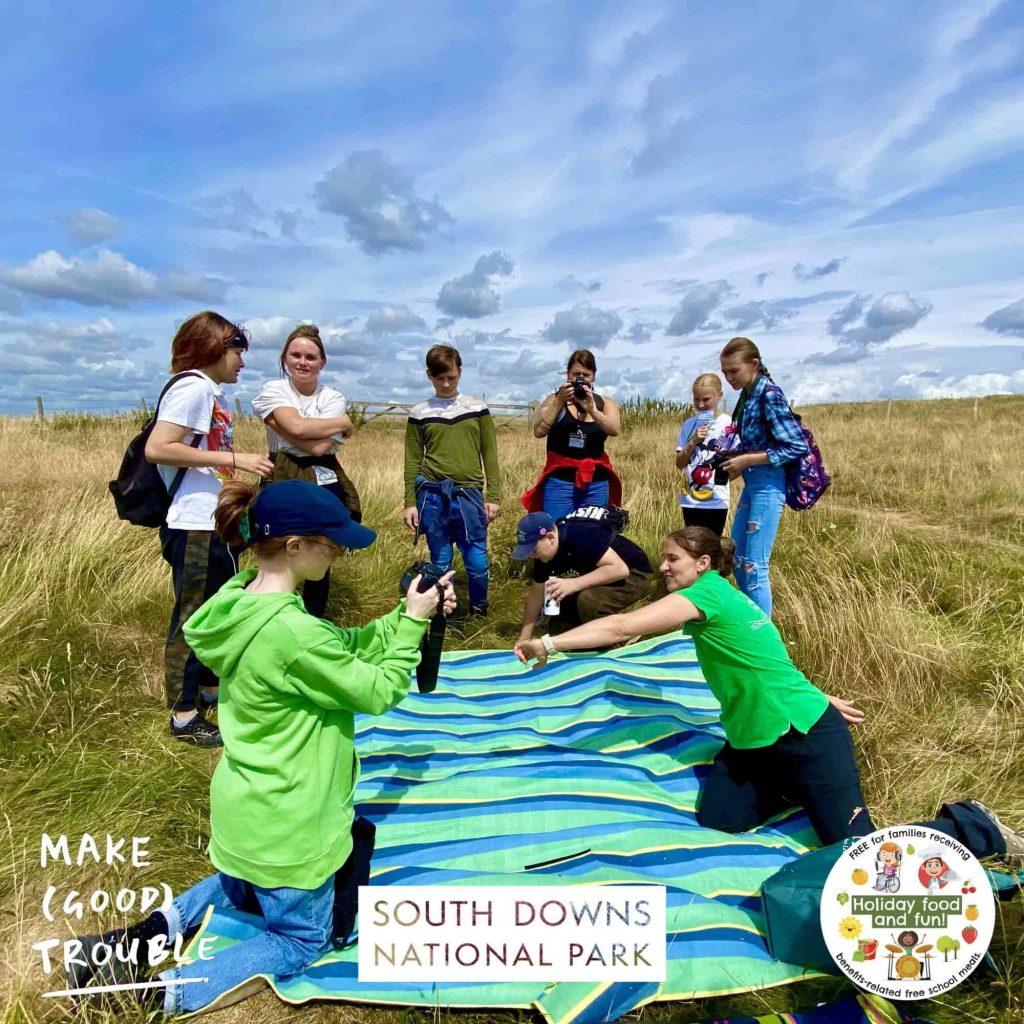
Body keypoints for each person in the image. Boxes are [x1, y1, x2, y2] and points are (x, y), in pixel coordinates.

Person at [67, 479, 456, 1014]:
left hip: (242, 816)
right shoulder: (292, 633)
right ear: (295, 547)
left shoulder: (240, 602)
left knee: (234, 889)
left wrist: (402, 614)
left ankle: (127, 943)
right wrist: (414, 624)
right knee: (302, 939)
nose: (340, 552)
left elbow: (343, 649)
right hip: (292, 827)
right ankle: (152, 994)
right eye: (332, 542)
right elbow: (378, 689)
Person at [515, 526, 1024, 863]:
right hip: (754, 739)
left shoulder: (706, 595)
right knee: (720, 819)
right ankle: (794, 786)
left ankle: (973, 826)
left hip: (802, 732)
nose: (664, 567)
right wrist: (818, 692)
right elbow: (768, 657)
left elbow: (624, 628)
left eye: (673, 559)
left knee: (857, 853)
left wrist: (550, 642)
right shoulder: (723, 598)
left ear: (704, 564)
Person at [144, 311, 273, 747]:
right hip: (193, 525)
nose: (242, 361)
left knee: (216, 613)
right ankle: (183, 717)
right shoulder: (193, 387)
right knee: (192, 617)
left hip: (212, 523)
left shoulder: (207, 391)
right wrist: (234, 461)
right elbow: (159, 448)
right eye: (238, 351)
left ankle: (211, 692)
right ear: (216, 347)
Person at [252, 323, 360, 618]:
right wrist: (341, 424)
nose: (302, 362)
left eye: (310, 357)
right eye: (295, 355)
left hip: (321, 472)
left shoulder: (332, 397)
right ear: (285, 358)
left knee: (319, 545)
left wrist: (282, 426)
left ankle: (313, 619)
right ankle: (273, 615)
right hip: (281, 471)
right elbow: (302, 431)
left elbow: (318, 450)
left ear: (322, 362)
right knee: (277, 546)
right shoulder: (273, 389)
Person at [402, 344, 500, 616]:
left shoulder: (477, 408)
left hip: (469, 495)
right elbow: (411, 460)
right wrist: (410, 502)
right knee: (441, 559)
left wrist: (494, 496)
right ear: (429, 376)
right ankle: (445, 612)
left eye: (451, 377)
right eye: (439, 378)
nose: (446, 384)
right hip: (432, 496)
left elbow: (489, 455)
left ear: (460, 372)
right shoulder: (420, 412)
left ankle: (479, 610)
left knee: (477, 559)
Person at [718, 336, 809, 617]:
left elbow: (796, 446)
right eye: (725, 373)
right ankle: (751, 623)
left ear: (754, 364)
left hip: (769, 488)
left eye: (734, 371)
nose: (729, 378)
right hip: (753, 484)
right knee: (737, 558)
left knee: (754, 565)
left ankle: (762, 641)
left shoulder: (769, 395)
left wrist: (746, 460)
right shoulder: (747, 396)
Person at [513, 509, 653, 643]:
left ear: (550, 538)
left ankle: (626, 635)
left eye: (534, 550)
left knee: (588, 602)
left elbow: (619, 569)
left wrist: (573, 584)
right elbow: (536, 595)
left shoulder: (578, 534)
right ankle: (588, 636)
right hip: (604, 573)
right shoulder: (543, 556)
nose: (531, 556)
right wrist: (524, 636)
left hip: (635, 572)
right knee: (559, 624)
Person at [522, 349, 623, 518]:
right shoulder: (554, 400)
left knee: (592, 534)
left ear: (594, 376)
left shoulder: (605, 403)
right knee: (557, 533)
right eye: (576, 374)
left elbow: (614, 430)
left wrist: (592, 410)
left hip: (595, 482)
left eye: (586, 374)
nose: (581, 379)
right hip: (560, 482)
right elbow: (539, 431)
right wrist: (560, 401)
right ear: (568, 374)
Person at [675, 373, 734, 536]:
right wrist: (694, 441)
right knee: (693, 547)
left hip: (716, 501)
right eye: (696, 399)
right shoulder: (689, 425)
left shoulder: (728, 424)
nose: (700, 404)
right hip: (689, 500)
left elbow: (737, 462)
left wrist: (722, 480)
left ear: (719, 396)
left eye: (706, 399)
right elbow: (679, 463)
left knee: (712, 546)